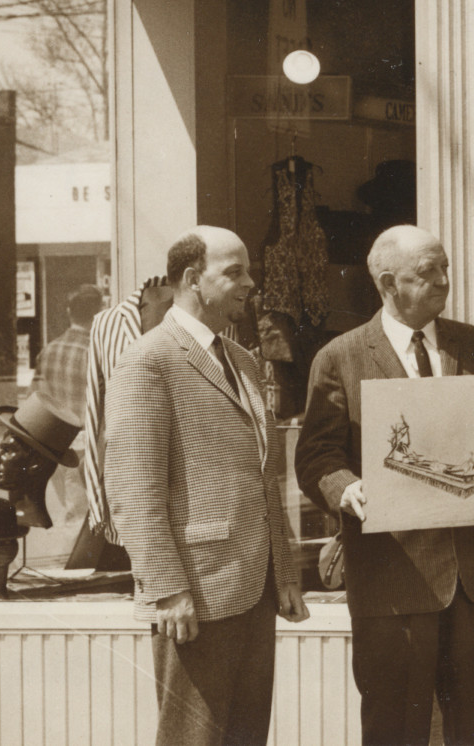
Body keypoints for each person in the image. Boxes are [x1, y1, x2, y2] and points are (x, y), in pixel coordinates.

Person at [296, 225, 474, 746]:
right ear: (388, 283)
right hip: (391, 579)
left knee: (473, 727)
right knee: (394, 728)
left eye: (445, 268)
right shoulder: (341, 357)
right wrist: (348, 489)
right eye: (427, 273)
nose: (443, 281)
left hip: (472, 582)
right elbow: (316, 455)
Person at [108, 226, 307, 745]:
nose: (250, 284)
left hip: (253, 589)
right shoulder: (148, 360)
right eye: (235, 272)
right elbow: (133, 490)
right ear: (194, 279)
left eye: (248, 271)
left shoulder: (242, 360)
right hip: (194, 594)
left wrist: (283, 572)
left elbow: (262, 479)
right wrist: (167, 589)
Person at [82, 276, 175, 552]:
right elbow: (94, 410)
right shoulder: (106, 322)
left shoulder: (205, 317)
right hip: (130, 477)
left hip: (191, 483)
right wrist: (96, 502)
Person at [35, 284, 103, 428]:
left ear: (68, 311)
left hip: (56, 436)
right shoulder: (98, 353)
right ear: (98, 314)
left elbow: (37, 403)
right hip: (87, 437)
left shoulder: (47, 351)